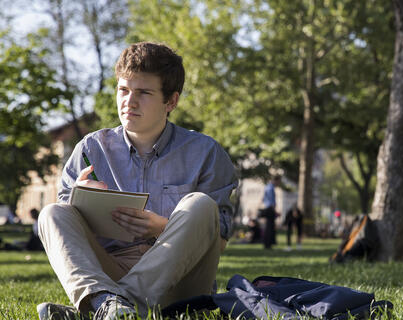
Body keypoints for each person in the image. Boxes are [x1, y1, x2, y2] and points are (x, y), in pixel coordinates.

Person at [36, 42, 238, 320]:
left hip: (182, 281)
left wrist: (163, 228)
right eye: (123, 90)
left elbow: (220, 242)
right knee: (53, 213)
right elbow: (67, 238)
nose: (129, 101)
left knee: (200, 204)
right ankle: (109, 304)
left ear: (171, 101)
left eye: (143, 92)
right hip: (110, 271)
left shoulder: (206, 152)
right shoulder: (90, 149)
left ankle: (108, 307)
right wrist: (77, 202)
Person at [258, 176, 280, 249]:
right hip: (270, 209)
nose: (278, 184)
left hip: (267, 208)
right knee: (270, 227)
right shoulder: (271, 188)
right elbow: (271, 201)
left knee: (268, 227)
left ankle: (267, 243)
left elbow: (263, 199)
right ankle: (268, 244)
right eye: (278, 182)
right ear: (275, 180)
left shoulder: (267, 187)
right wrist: (274, 210)